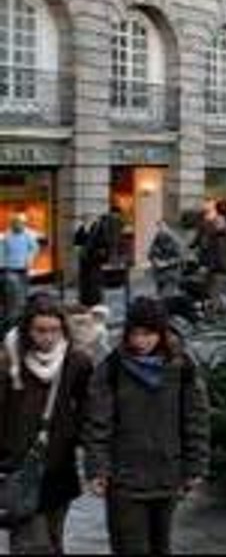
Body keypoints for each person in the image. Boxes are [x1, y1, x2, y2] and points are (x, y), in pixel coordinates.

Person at [84, 297, 210, 555]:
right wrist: (97, 469)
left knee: (161, 545)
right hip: (125, 479)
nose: (140, 341)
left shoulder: (181, 366)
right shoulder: (113, 367)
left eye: (148, 334)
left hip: (167, 474)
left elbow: (195, 418)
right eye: (135, 334)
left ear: (161, 333)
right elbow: (98, 422)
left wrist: (195, 466)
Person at [0, 294, 93, 554]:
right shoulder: (8, 362)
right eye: (40, 330)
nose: (48, 337)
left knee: (53, 539)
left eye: (54, 330)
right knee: (29, 545)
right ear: (27, 329)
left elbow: (88, 410)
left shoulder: (76, 362)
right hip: (18, 468)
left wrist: (87, 449)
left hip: (58, 469)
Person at [1, 215, 39, 327]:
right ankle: (11, 320)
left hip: (23, 269)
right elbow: (1, 252)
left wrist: (29, 259)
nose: (20, 225)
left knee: (23, 295)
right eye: (17, 223)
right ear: (12, 224)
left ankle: (21, 319)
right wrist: (2, 266)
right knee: (12, 295)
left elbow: (34, 248)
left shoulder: (28, 234)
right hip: (10, 269)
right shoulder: (6, 236)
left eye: (22, 223)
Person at [148, 220, 184, 299]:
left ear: (167, 227)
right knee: (160, 294)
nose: (160, 229)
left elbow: (180, 257)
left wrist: (165, 263)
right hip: (159, 273)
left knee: (166, 296)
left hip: (171, 273)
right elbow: (151, 252)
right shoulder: (158, 237)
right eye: (158, 227)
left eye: (162, 227)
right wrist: (154, 260)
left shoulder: (175, 240)